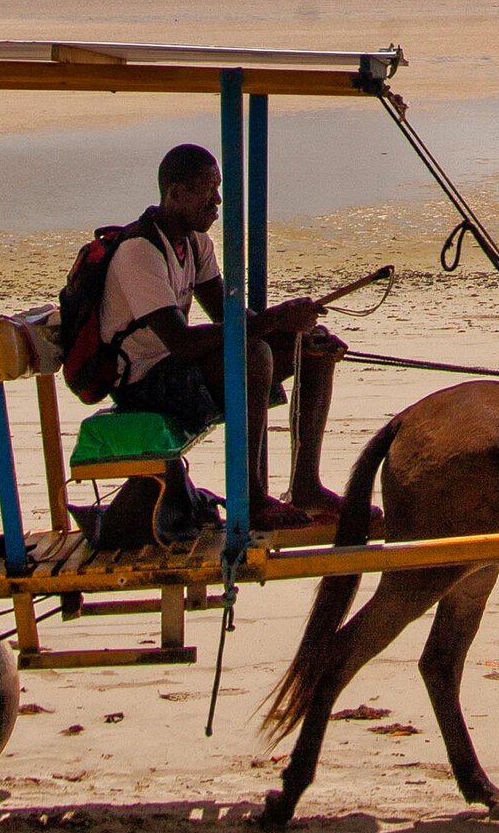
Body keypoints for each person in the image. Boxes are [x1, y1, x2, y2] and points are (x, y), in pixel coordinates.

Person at [93, 144, 348, 544]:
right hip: (144, 384)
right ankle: (252, 498)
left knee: (311, 348)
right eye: (206, 191)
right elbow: (180, 343)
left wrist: (290, 330)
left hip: (177, 369)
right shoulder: (139, 251)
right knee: (254, 354)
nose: (217, 201)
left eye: (217, 189)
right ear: (174, 193)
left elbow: (229, 319)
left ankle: (306, 486)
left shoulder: (194, 243)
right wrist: (273, 321)